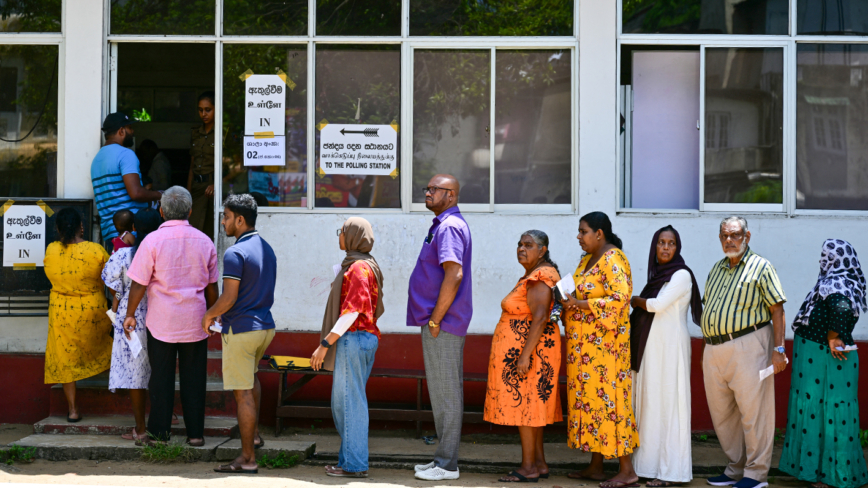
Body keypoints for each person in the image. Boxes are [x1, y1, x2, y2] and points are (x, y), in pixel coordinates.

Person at [124, 186, 219, 445]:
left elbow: (138, 283)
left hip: (162, 322)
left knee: (161, 379)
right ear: (189, 211)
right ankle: (196, 435)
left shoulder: (152, 241)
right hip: (196, 321)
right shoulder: (205, 240)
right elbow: (212, 285)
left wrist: (130, 314)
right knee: (194, 379)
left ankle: (159, 434)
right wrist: (214, 314)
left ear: (162, 211)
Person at [701, 216, 787, 488]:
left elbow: (777, 309)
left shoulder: (761, 267)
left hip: (750, 344)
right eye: (725, 236)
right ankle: (735, 467)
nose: (730, 240)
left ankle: (756, 473)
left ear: (747, 236)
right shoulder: (716, 268)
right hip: (714, 348)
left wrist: (779, 349)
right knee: (723, 413)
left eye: (735, 235)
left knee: (754, 412)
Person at [779, 239, 868, 488]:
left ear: (839, 260)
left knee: (832, 415)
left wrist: (833, 335)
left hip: (828, 360)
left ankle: (833, 476)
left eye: (827, 256)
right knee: (817, 414)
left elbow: (841, 307)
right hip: (815, 361)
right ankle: (814, 471)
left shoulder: (837, 283)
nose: (823, 260)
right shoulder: (829, 283)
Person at [561, 211, 639, 488]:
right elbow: (583, 293)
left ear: (599, 233)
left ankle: (627, 470)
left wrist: (578, 305)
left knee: (611, 404)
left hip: (607, 352)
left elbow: (620, 299)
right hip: (584, 352)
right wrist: (567, 301)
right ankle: (596, 466)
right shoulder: (586, 260)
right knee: (593, 404)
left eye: (583, 231)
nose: (579, 236)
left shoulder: (614, 259)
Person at [204, 194, 277, 474]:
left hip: (242, 331)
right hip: (265, 327)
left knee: (242, 393)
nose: (223, 221)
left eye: (225, 216)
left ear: (240, 219)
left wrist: (209, 314)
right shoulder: (267, 248)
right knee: (252, 379)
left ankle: (247, 459)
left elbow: (229, 297)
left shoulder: (235, 252)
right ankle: (254, 435)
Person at [407, 174, 472, 482]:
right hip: (440, 320)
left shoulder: (448, 227)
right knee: (443, 390)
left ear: (451, 195)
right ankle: (443, 460)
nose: (428, 192)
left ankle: (446, 465)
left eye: (435, 189)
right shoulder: (443, 225)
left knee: (446, 392)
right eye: (427, 187)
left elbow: (454, 274)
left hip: (442, 322)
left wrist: (435, 319)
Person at [484, 230, 562, 483]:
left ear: (543, 250)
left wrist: (524, 357)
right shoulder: (535, 274)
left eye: (528, 245)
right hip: (530, 353)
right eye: (519, 244)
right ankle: (538, 463)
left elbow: (540, 317)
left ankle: (528, 467)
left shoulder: (542, 276)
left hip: (532, 355)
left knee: (526, 409)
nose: (521, 248)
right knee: (532, 410)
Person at [311, 217, 385, 478]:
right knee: (349, 402)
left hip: (353, 338)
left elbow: (352, 311)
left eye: (340, 232)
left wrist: (324, 345)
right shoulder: (367, 265)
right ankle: (348, 462)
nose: (338, 236)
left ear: (352, 235)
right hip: (364, 339)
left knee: (348, 404)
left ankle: (354, 465)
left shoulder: (357, 268)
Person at [629, 226, 703, 486]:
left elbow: (656, 305)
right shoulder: (658, 277)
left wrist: (636, 300)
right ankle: (647, 466)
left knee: (670, 406)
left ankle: (671, 471)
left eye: (671, 243)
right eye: (661, 242)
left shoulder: (681, 274)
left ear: (677, 247)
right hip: (652, 347)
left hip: (670, 348)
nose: (665, 248)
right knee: (651, 404)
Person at [43, 208, 113, 423]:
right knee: (109, 346)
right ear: (81, 227)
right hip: (92, 310)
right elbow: (112, 280)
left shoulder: (52, 249)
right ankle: (119, 390)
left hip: (61, 310)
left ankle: (73, 410)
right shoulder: (95, 250)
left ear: (57, 229)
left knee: (65, 358)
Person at [101, 208, 162, 441]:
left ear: (134, 228)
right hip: (161, 313)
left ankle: (141, 429)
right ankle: (168, 416)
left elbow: (111, 282)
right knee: (160, 369)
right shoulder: (163, 252)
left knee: (136, 374)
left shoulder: (122, 255)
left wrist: (117, 304)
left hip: (131, 316)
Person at [91, 112, 162, 250]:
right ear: (121, 131)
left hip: (111, 232)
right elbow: (135, 193)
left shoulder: (97, 159)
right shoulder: (125, 154)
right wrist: (161, 195)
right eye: (130, 128)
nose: (133, 131)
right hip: (130, 232)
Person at [188, 91, 216, 240]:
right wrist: (188, 192)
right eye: (200, 110)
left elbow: (234, 165)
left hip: (212, 188)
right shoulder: (195, 133)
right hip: (197, 187)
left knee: (210, 229)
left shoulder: (221, 134)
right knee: (193, 229)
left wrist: (216, 184)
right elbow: (192, 164)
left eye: (208, 110)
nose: (204, 114)